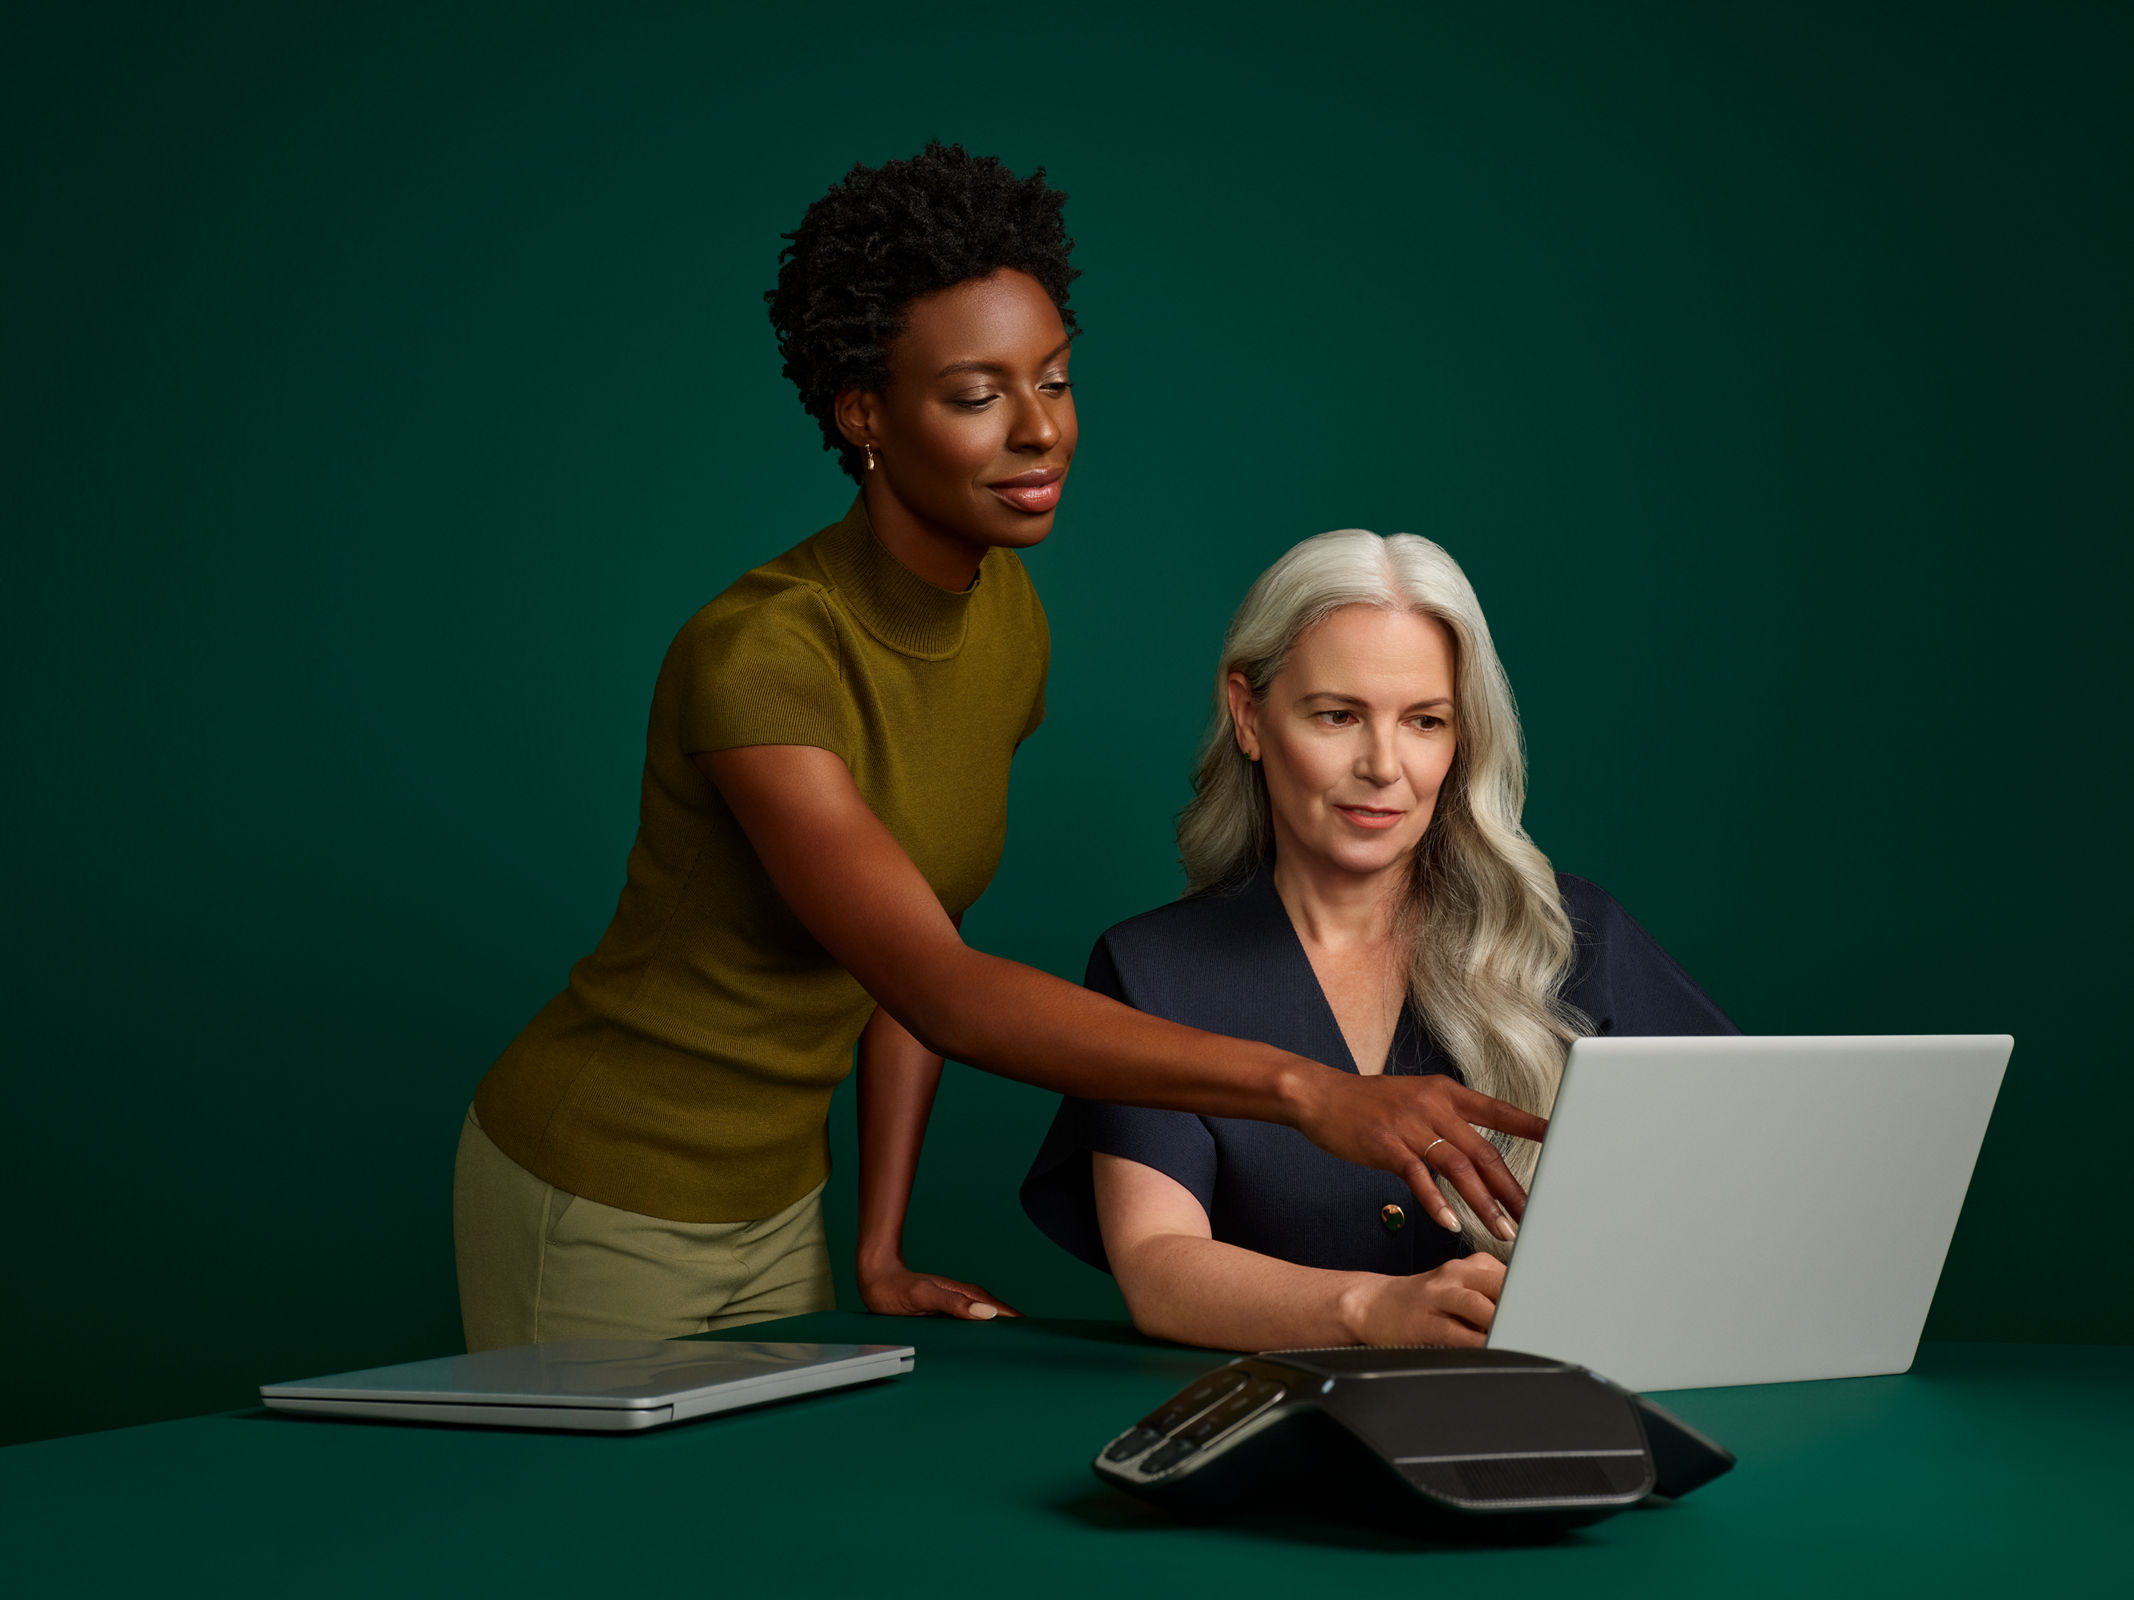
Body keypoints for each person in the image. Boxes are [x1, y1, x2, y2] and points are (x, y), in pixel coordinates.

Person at [454, 145, 1547, 1353]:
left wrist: (878, 1243)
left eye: (1055, 380)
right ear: (862, 412)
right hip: (602, 1188)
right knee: (594, 1535)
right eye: (977, 397)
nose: (1040, 432)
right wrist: (1307, 1088)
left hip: (776, 1202)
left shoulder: (1003, 617)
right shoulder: (760, 655)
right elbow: (938, 982)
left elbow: (909, 946)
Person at [1021, 529, 1738, 1352]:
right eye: (1338, 715)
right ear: (1249, 715)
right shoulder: (1149, 972)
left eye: (1425, 721)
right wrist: (1371, 1311)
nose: (1384, 765)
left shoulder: (1577, 939)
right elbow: (1158, 1262)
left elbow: (1754, 1172)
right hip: (1282, 1444)